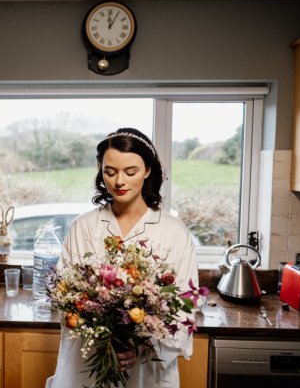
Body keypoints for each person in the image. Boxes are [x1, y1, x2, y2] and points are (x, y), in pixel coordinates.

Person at [45, 127, 199, 388]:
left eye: (131, 172)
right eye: (110, 172)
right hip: (90, 365)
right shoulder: (84, 227)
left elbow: (187, 307)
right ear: (100, 170)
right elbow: (64, 297)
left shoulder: (174, 232)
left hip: (148, 371)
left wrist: (141, 346)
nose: (119, 182)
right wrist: (104, 335)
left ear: (148, 170)